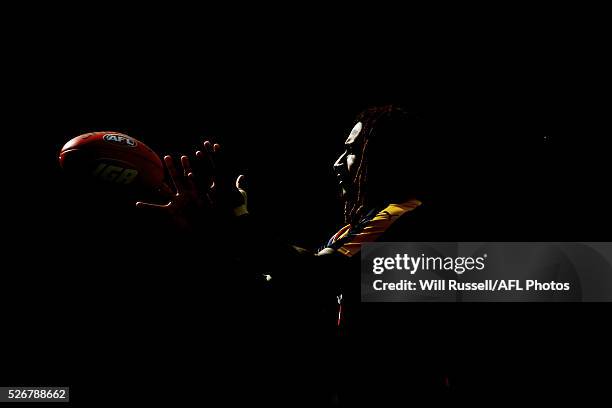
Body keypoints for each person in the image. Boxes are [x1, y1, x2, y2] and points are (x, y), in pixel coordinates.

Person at [135, 105, 450, 405]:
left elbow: (311, 273)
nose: (338, 163)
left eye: (353, 150)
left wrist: (236, 217)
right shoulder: (350, 234)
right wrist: (213, 229)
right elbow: (290, 274)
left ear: (388, 157)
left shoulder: (404, 215)